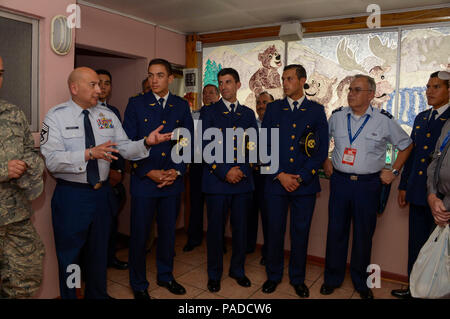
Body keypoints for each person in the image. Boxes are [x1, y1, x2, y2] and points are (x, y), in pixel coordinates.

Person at [40, 67, 172, 299]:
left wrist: (146, 142)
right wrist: (88, 153)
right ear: (74, 88)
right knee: (71, 257)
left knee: (98, 252)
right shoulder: (56, 116)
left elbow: (124, 147)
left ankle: (97, 295)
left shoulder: (106, 115)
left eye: (99, 85)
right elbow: (51, 161)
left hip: (101, 195)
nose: (99, 89)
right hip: (72, 196)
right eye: (92, 84)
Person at [320, 74, 413, 299]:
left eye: (357, 90)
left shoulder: (383, 120)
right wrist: (326, 160)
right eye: (350, 89)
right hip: (340, 182)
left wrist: (394, 171)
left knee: (363, 234)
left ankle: (361, 282)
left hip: (368, 185)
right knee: (336, 231)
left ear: (371, 95)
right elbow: (323, 139)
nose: (351, 93)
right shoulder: (338, 117)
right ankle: (332, 278)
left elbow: (407, 145)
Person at [122, 58, 194, 299]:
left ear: (170, 79)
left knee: (168, 234)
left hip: (171, 182)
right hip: (145, 181)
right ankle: (139, 283)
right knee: (140, 236)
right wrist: (145, 171)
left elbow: (186, 141)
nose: (154, 80)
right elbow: (128, 145)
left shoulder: (181, 106)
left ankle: (166, 276)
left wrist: (178, 170)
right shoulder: (135, 104)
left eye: (160, 75)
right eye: (151, 75)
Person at [261, 64, 329, 298]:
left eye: (290, 78)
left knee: (300, 233)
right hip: (275, 183)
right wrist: (279, 174)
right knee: (274, 232)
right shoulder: (273, 109)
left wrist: (300, 176)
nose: (285, 83)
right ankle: (273, 276)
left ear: (302, 81)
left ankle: (297, 279)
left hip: (304, 184)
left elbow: (320, 151)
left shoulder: (316, 111)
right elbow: (264, 146)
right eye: (283, 78)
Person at [391, 71, 450, 299]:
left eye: (436, 87)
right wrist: (404, 185)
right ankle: (413, 287)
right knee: (416, 244)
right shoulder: (422, 117)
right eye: (427, 87)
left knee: (441, 250)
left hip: (442, 197)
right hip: (418, 192)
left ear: (448, 90)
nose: (429, 91)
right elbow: (415, 155)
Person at [201, 68, 258, 293]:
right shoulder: (209, 112)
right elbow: (205, 146)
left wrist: (241, 170)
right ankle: (214, 274)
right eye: (221, 82)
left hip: (242, 183)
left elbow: (253, 146)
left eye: (228, 82)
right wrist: (225, 172)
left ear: (237, 84)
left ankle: (237, 270)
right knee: (215, 231)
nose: (223, 86)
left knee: (240, 230)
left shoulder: (247, 113)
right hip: (217, 182)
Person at [0, 56, 45, 298]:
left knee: (26, 277)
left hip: (16, 216)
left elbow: (29, 149)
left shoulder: (13, 113)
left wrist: (31, 164)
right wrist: (4, 171)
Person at [95, 69, 129, 271]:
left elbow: (119, 144)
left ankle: (110, 258)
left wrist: (120, 171)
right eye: (99, 82)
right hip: (96, 178)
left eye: (107, 83)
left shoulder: (114, 112)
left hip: (114, 178)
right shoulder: (84, 112)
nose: (103, 86)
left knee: (111, 222)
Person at [183, 84, 220, 252]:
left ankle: (217, 242)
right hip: (198, 165)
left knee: (216, 207)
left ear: (218, 95)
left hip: (219, 167)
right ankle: (194, 238)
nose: (207, 95)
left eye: (211, 93)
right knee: (196, 204)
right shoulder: (194, 116)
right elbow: (187, 141)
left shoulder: (224, 115)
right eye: (205, 93)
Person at [246, 91, 274, 266]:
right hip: (251, 174)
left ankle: (268, 252)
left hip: (269, 174)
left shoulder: (277, 125)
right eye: (258, 102)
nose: (260, 105)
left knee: (269, 217)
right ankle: (247, 246)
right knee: (249, 214)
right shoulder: (250, 124)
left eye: (264, 102)